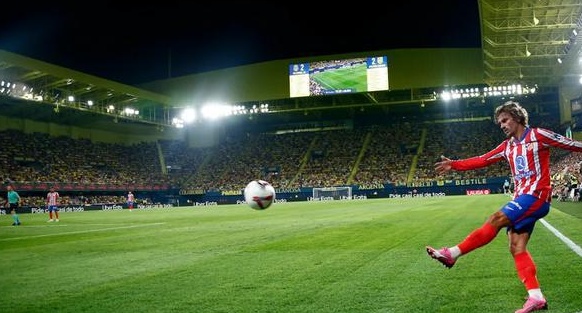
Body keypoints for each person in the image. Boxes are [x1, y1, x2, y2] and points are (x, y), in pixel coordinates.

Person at [426, 101, 582, 313]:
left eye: (505, 120)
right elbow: (483, 160)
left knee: (495, 218)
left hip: (536, 196)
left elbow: (570, 144)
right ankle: (536, 297)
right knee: (516, 246)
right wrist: (454, 164)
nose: (502, 125)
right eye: (500, 122)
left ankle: (452, 254)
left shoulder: (538, 135)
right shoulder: (507, 146)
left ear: (517, 117)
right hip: (521, 197)